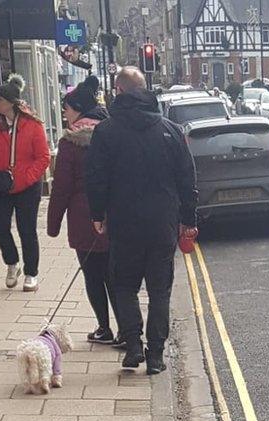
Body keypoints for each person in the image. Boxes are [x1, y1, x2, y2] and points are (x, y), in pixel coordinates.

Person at [85, 67, 197, 374]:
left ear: (119, 92)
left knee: (124, 286)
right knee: (160, 290)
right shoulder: (170, 130)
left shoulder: (106, 132)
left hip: (124, 223)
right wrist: (188, 218)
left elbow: (95, 178)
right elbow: (187, 178)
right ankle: (156, 355)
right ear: (145, 90)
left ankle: (133, 346)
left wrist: (97, 214)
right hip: (162, 223)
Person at [47, 75, 122, 345]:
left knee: (94, 275)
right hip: (116, 216)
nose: (64, 113)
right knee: (116, 275)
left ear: (77, 108)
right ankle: (126, 330)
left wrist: (53, 224)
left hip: (84, 219)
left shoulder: (70, 142)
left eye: (66, 108)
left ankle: (104, 328)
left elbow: (62, 188)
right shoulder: (114, 133)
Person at [0, 74, 51, 292]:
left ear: (11, 102)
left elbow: (43, 157)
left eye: (0, 99)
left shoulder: (32, 125)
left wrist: (27, 178)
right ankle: (12, 262)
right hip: (0, 183)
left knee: (26, 229)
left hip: (27, 186)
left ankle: (31, 273)